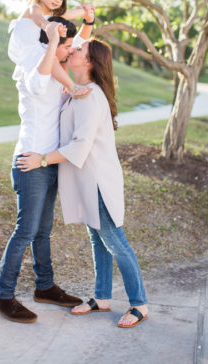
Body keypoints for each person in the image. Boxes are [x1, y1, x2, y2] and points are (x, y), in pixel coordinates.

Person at [17, 39, 149, 328]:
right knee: (98, 241)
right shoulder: (79, 93)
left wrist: (40, 159)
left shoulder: (90, 97)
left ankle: (139, 303)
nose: (72, 50)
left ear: (89, 62)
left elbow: (79, 147)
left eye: (79, 50)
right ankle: (101, 297)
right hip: (86, 182)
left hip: (99, 183)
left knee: (116, 242)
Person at [0, 10, 95, 324]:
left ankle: (45, 287)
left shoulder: (60, 68)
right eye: (65, 47)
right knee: (25, 231)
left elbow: (80, 43)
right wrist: (52, 41)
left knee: (43, 232)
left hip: (49, 161)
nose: (70, 51)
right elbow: (38, 85)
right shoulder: (32, 67)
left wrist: (85, 21)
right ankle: (3, 296)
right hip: (30, 161)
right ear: (49, 43)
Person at [8, 0, 94, 98]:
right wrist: (50, 27)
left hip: (36, 48)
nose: (57, 0)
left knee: (54, 55)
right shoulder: (34, 8)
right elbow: (39, 20)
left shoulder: (53, 12)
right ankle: (72, 88)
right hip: (24, 49)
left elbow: (71, 13)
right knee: (51, 56)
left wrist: (87, 10)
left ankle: (67, 85)